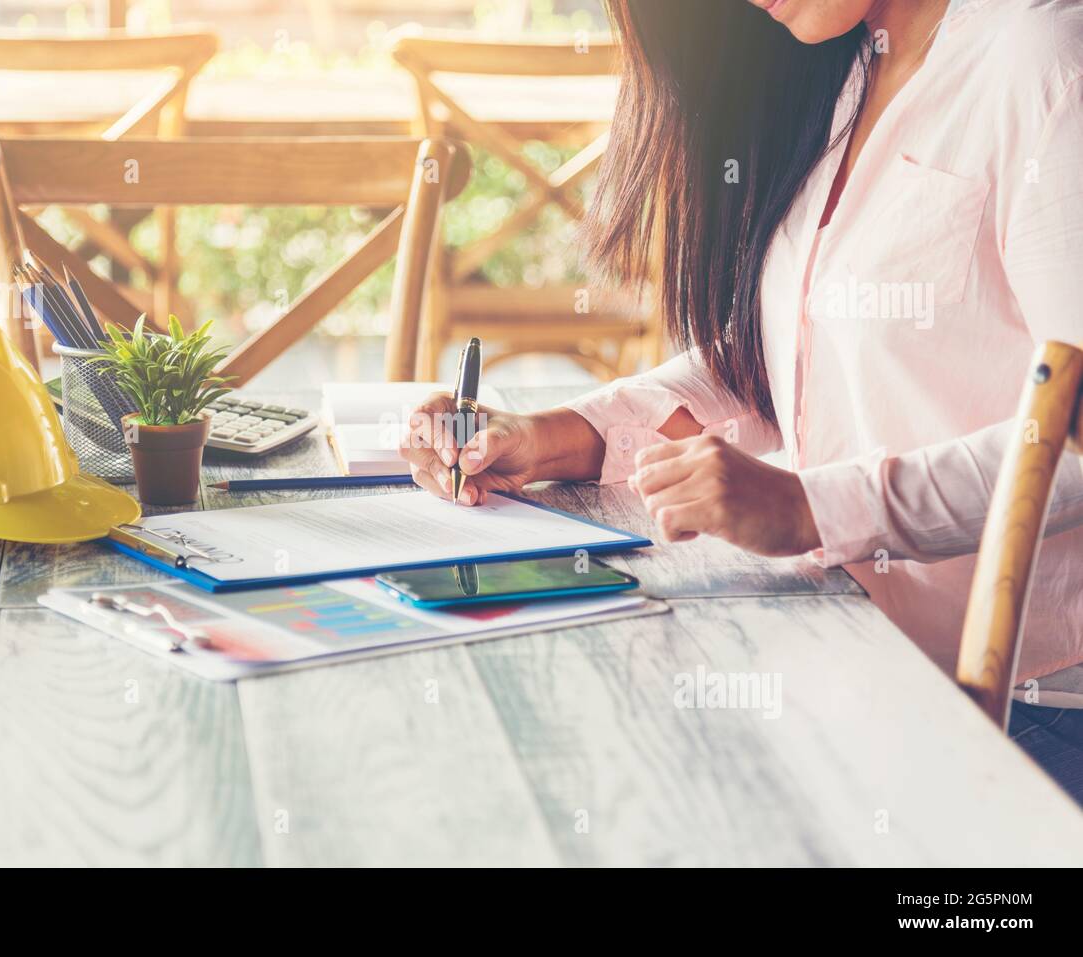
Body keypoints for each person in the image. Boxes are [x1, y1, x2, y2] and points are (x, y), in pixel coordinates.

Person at [400, 0, 1083, 804]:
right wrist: (557, 435)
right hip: (852, 649)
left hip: (1022, 714)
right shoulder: (848, 62)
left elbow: (1073, 444)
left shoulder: (1043, 60)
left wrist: (814, 507)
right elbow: (783, 355)